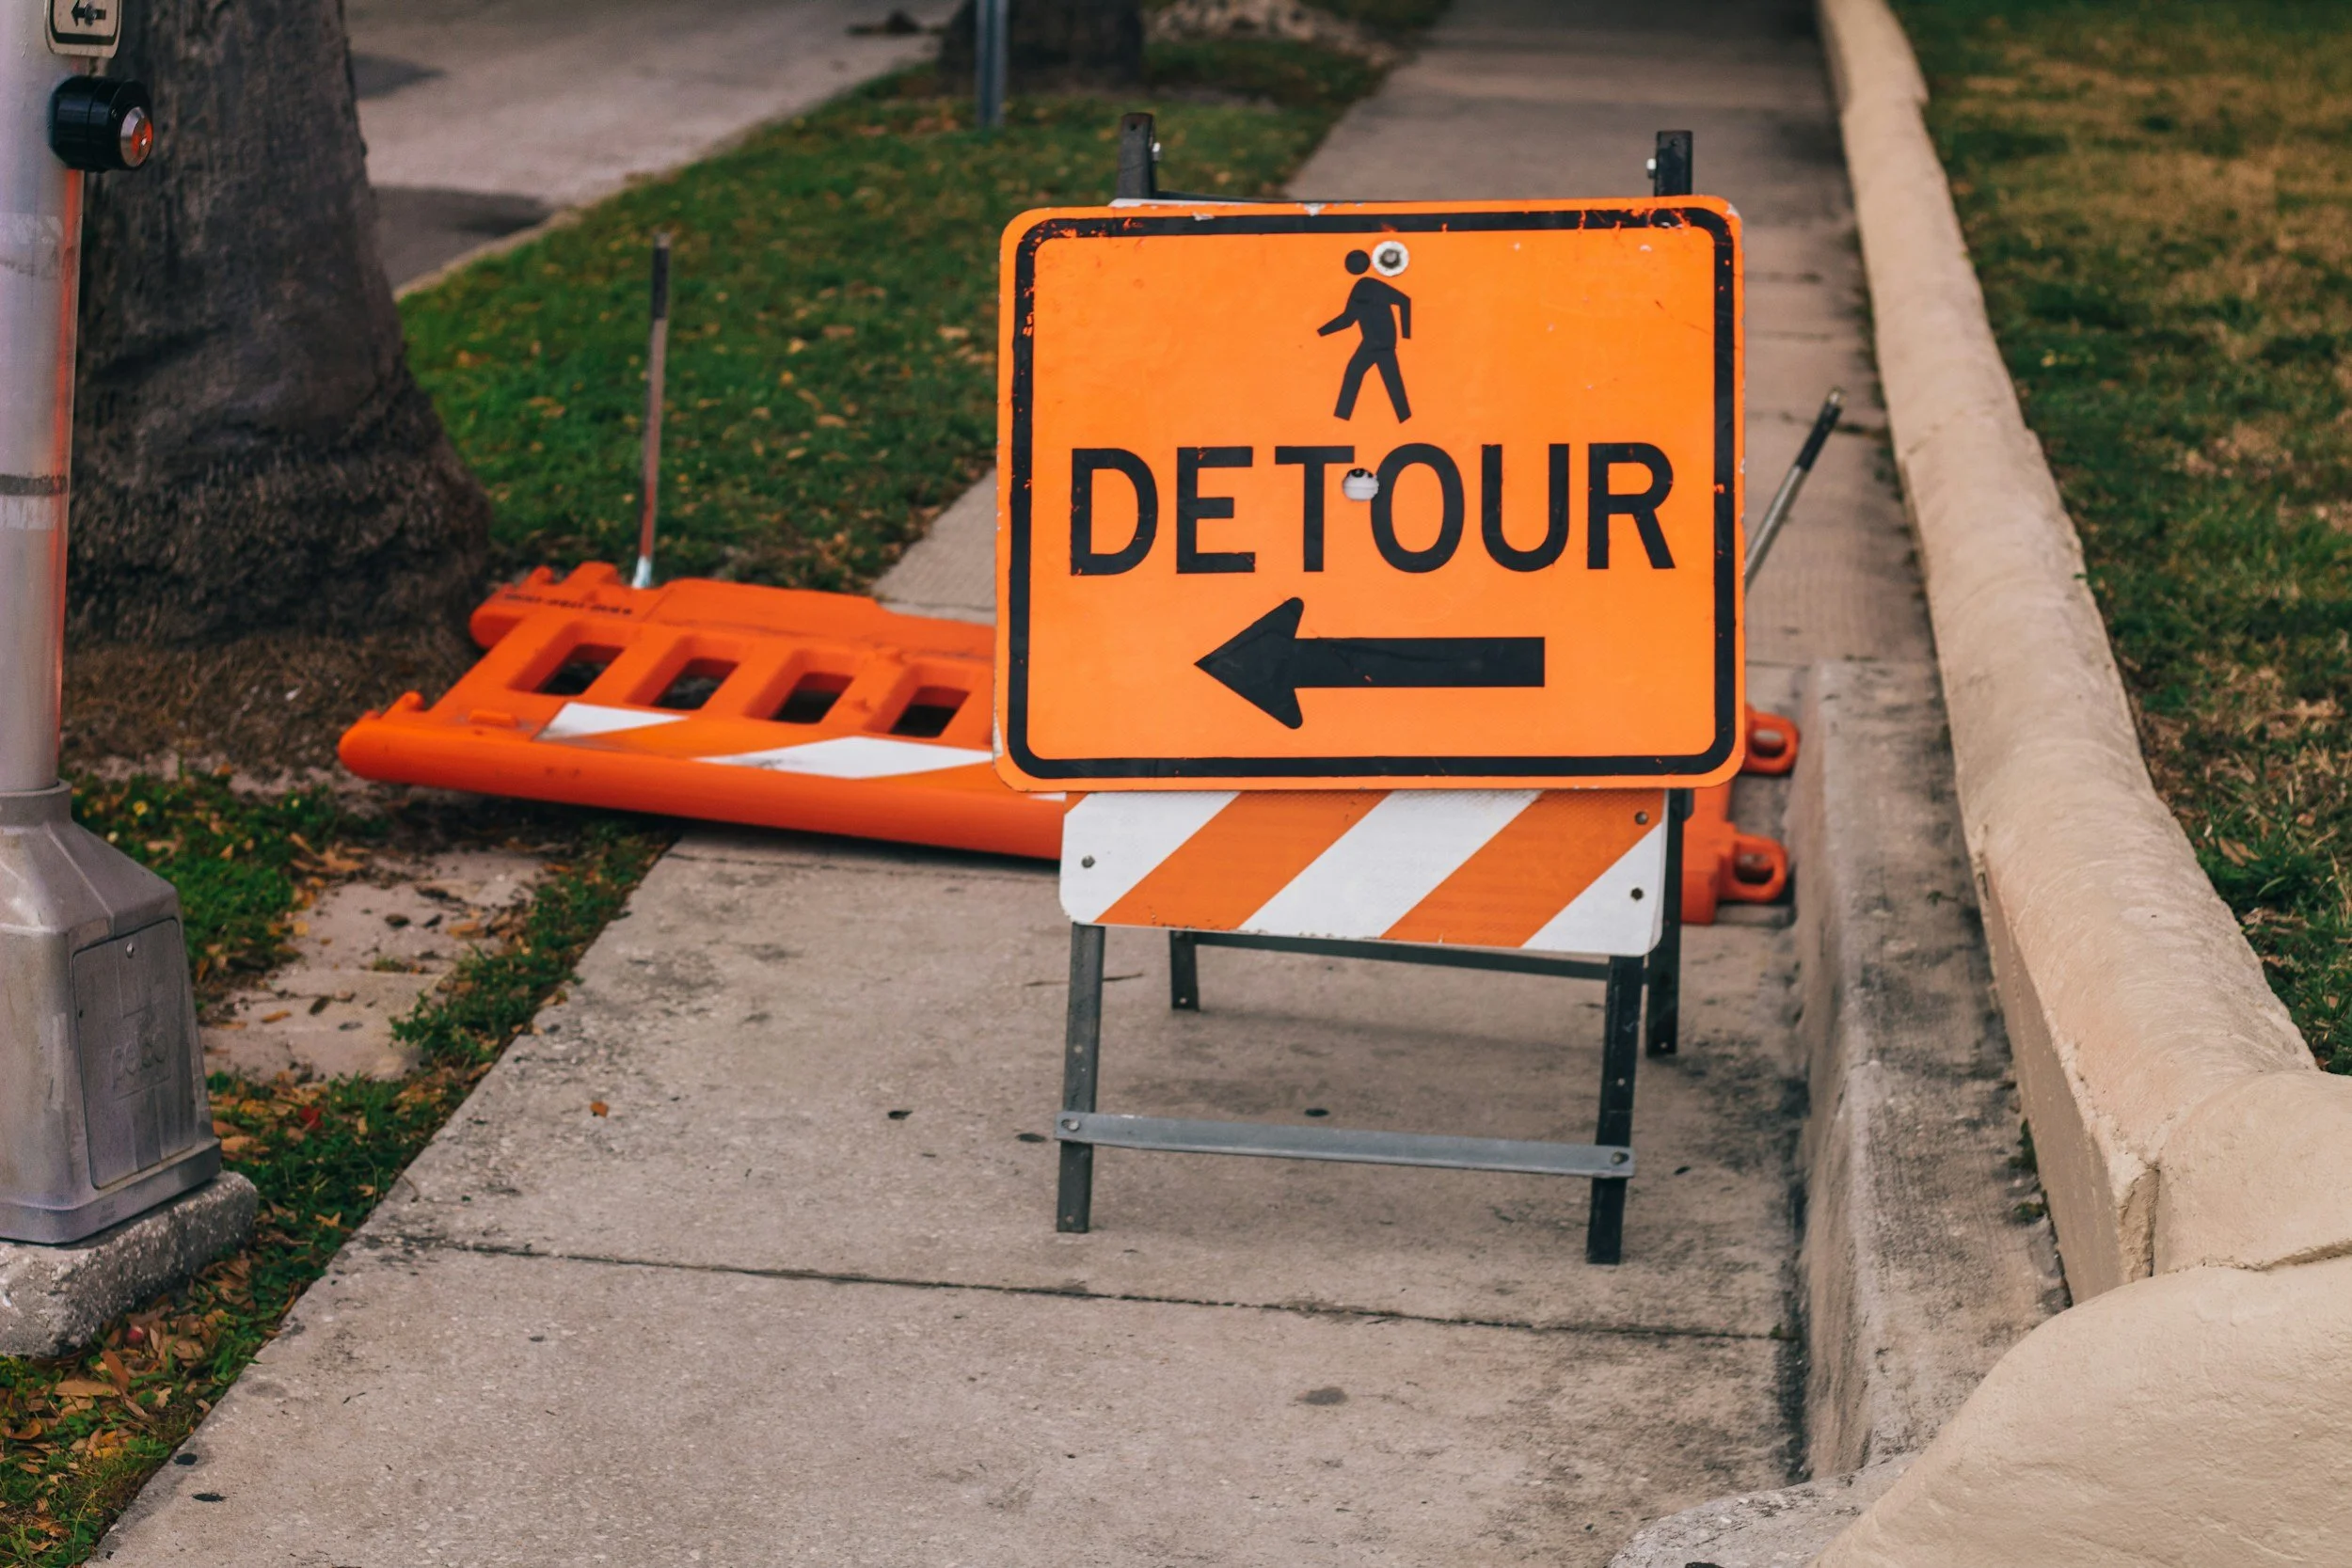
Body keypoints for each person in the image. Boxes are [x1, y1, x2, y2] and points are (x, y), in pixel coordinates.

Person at [1319, 249, 1412, 421]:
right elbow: (1348, 320)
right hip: (1374, 343)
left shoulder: (1369, 285)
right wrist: (1321, 332)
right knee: (1387, 379)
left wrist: (1407, 334)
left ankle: (1342, 416)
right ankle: (1404, 417)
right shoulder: (1361, 287)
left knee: (1359, 373)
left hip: (1379, 344)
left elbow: (1405, 300)